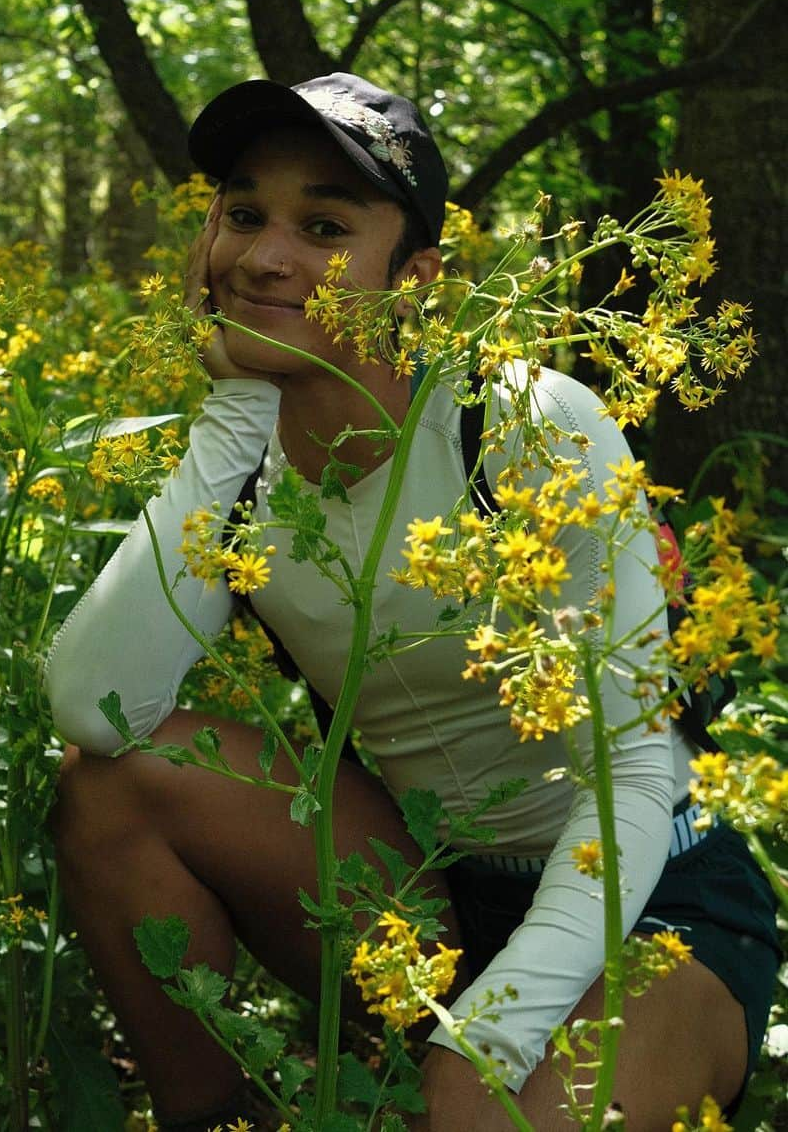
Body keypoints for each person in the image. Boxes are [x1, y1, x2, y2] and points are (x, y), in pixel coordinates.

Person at [45, 74, 779, 1132]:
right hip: (425, 878)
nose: (263, 255)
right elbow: (93, 704)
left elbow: (631, 776)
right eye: (243, 214)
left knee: (486, 1119)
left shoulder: (523, 424)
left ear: (417, 277)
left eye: (325, 225)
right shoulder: (241, 472)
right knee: (107, 785)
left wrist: (492, 1029)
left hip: (648, 896)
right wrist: (235, 412)